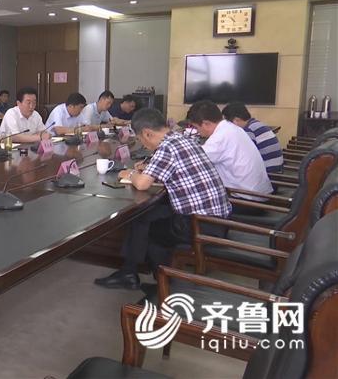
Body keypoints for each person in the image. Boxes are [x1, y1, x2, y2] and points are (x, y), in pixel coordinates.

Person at [95, 108, 231, 290]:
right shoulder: (180, 138)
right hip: (216, 220)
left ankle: (163, 286)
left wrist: (130, 173)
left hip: (200, 225)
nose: (143, 145)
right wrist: (149, 168)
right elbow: (174, 168)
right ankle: (134, 273)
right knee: (147, 216)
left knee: (146, 225)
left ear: (147, 133)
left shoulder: (166, 147)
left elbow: (142, 184)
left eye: (141, 139)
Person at [186, 100, 273, 198]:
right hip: (259, 193)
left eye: (196, 127)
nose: (197, 132)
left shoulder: (220, 137)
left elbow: (192, 162)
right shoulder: (230, 127)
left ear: (206, 123)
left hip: (247, 199)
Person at [222, 102, 284, 173]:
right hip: (277, 167)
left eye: (228, 122)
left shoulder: (248, 131)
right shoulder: (255, 124)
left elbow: (243, 157)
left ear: (236, 120)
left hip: (269, 172)